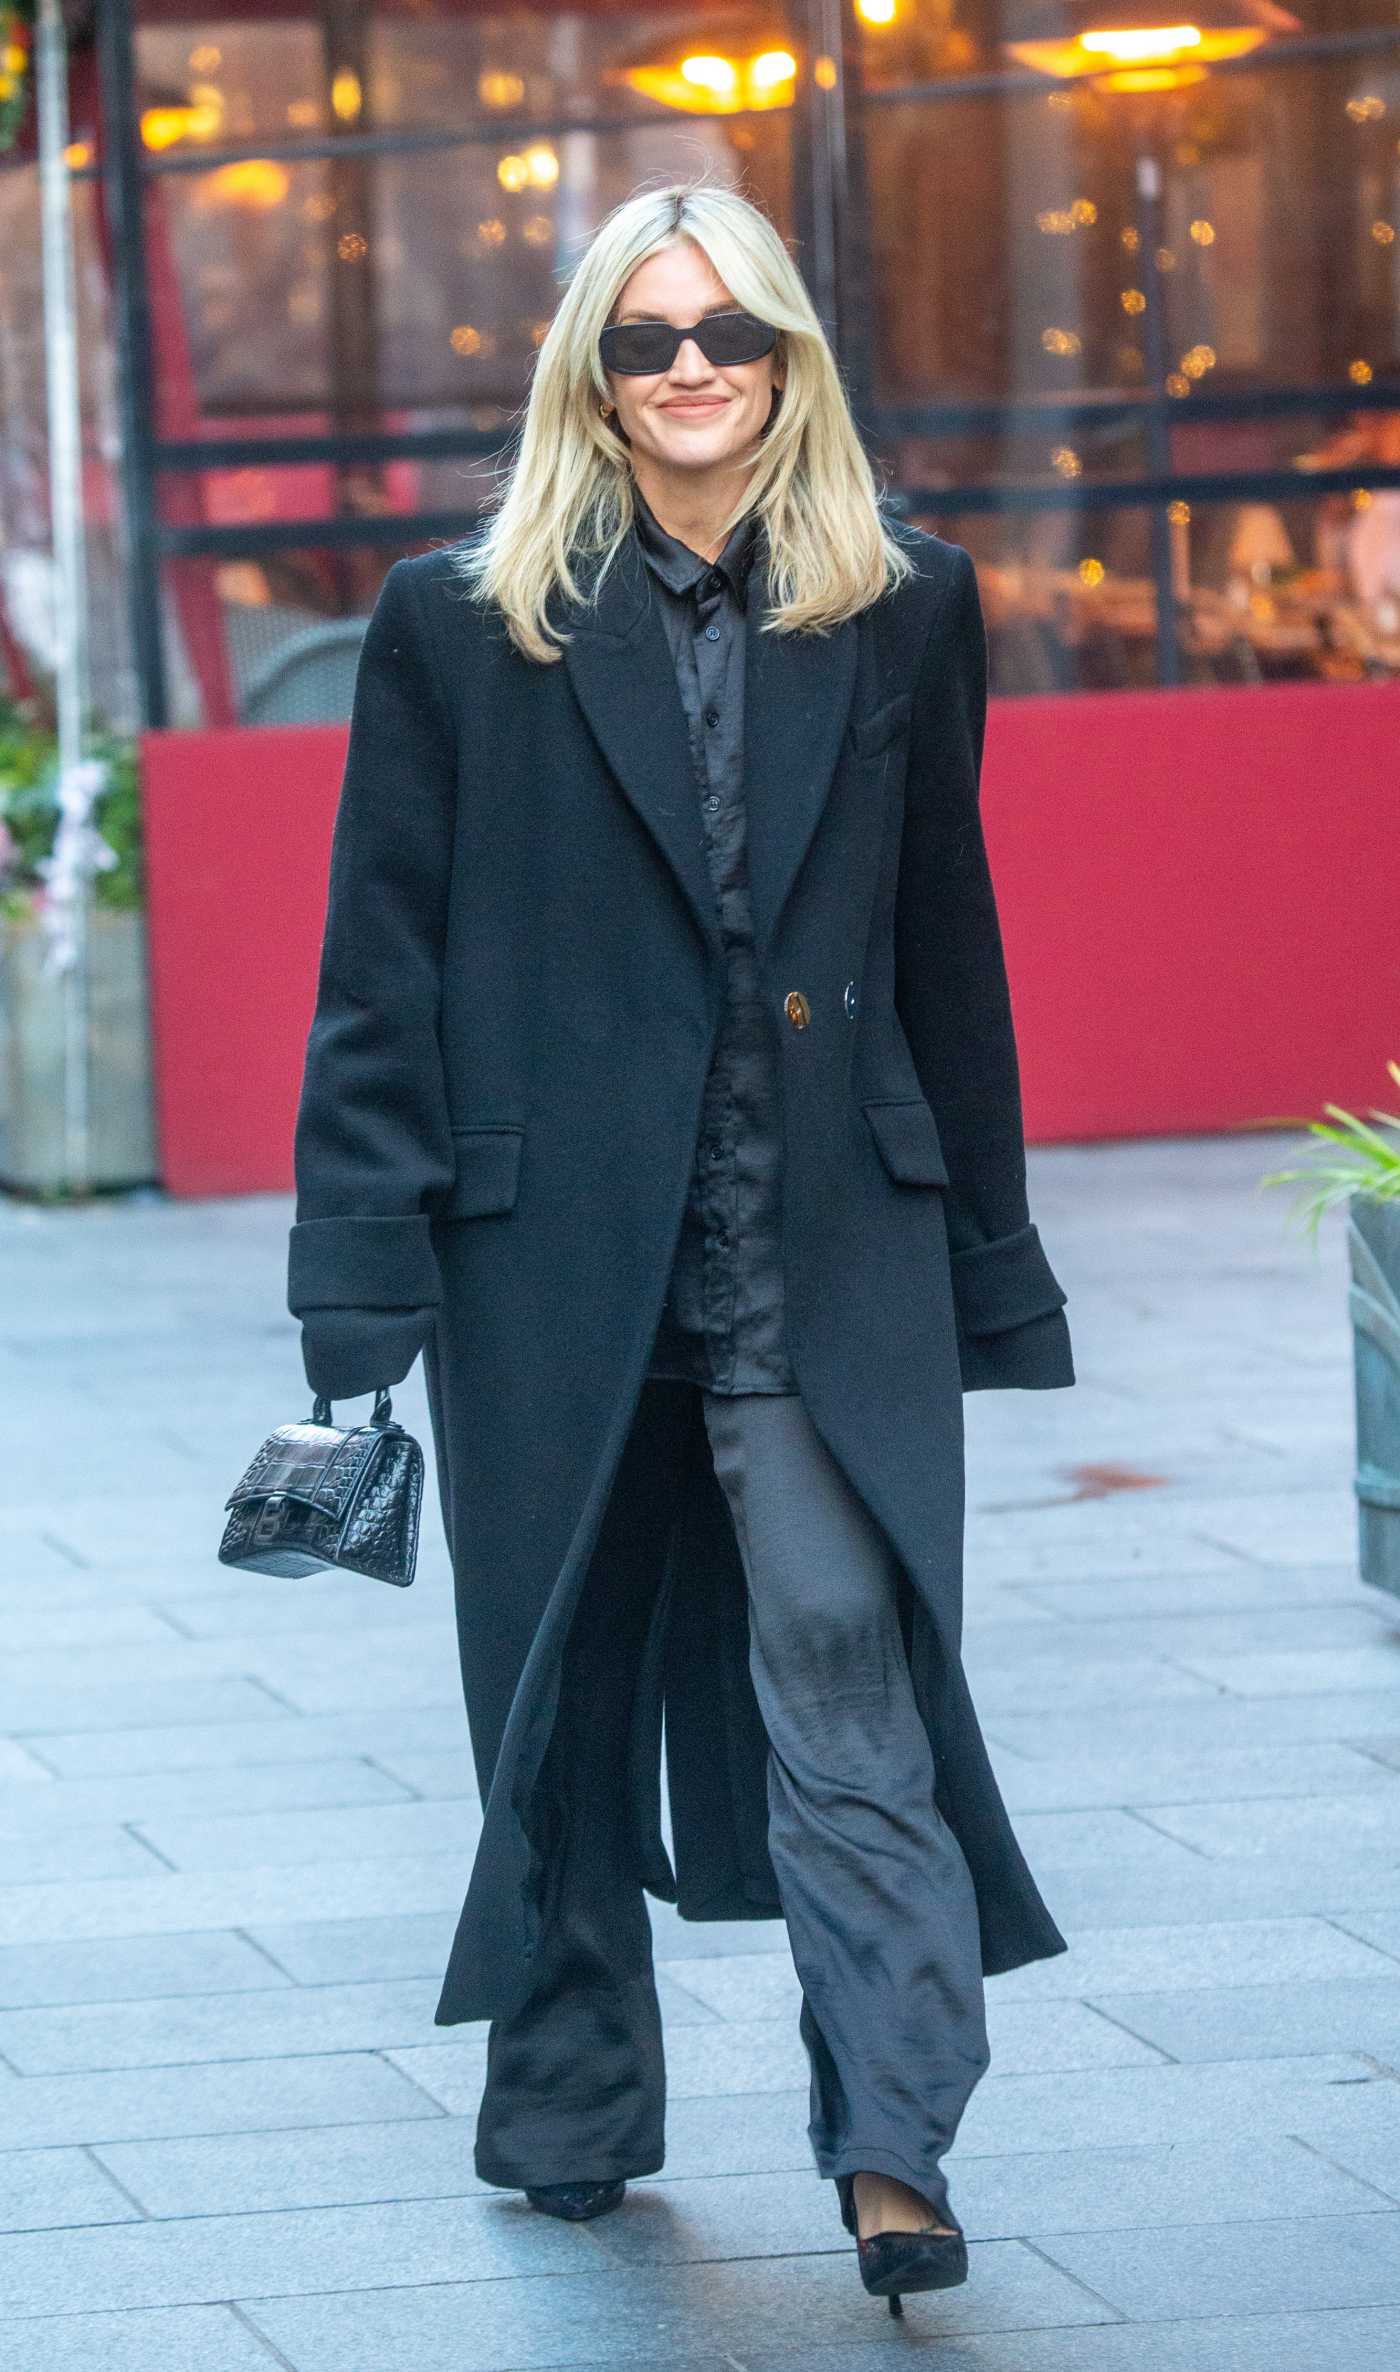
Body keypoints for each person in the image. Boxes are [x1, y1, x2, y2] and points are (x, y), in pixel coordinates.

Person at [287, 176, 1075, 2314]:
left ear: (792, 354)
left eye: (727, 329)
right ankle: (567, 2110)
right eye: (642, 339)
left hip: (822, 1245)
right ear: (588, 373)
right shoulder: (461, 618)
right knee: (550, 1699)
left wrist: (991, 1254)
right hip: (549, 1254)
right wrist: (353, 1262)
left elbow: (945, 945)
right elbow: (379, 962)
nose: (691, 366)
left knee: (849, 1662)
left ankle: (893, 2138)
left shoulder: (904, 601)